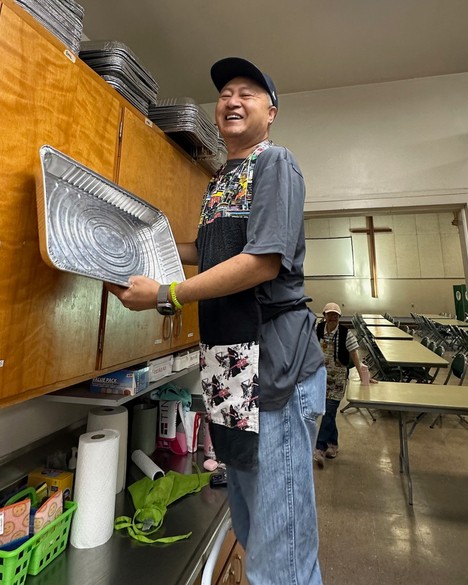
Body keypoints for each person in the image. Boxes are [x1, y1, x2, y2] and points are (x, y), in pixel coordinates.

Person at [106, 57, 326, 585]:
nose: (232, 100)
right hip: (229, 370)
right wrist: (141, 245)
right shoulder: (221, 180)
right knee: (251, 528)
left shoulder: (275, 163)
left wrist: (166, 294)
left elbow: (261, 262)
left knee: (281, 550)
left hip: (274, 369)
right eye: (225, 93)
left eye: (247, 93)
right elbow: (209, 251)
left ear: (271, 113)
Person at [313, 302, 376, 468]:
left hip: (338, 381)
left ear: (339, 317)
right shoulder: (318, 329)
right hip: (320, 379)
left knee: (329, 412)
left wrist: (364, 376)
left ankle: (320, 448)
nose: (332, 317)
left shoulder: (345, 334)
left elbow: (355, 357)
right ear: (324, 316)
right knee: (329, 413)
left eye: (335, 315)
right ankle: (333, 445)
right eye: (329, 314)